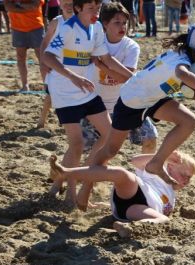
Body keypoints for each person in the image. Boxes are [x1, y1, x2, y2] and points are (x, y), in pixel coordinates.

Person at [76, 22, 195, 210]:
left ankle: (157, 163)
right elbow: (181, 73)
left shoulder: (185, 53)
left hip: (152, 98)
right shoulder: (181, 63)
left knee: (189, 121)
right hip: (131, 102)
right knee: (108, 152)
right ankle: (85, 190)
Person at [42, 0, 130, 204]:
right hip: (64, 92)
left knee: (110, 134)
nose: (96, 12)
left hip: (86, 90)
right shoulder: (67, 28)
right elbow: (47, 57)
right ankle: (71, 194)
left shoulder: (97, 27)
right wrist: (73, 76)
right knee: (77, 144)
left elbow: (106, 58)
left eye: (98, 8)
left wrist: (131, 77)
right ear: (78, 8)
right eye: (91, 8)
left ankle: (85, 176)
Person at [48, 151, 195, 229]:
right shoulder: (157, 170)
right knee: (122, 174)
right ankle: (67, 173)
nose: (187, 180)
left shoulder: (171, 193)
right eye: (184, 175)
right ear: (171, 167)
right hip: (135, 190)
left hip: (135, 209)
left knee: (163, 220)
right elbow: (135, 161)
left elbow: (162, 212)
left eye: (190, 178)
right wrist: (163, 156)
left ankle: (127, 227)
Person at [93, 2, 158, 154]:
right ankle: (83, 174)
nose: (122, 26)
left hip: (126, 103)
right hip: (97, 104)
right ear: (105, 24)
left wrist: (102, 67)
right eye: (117, 23)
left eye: (125, 23)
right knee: (87, 147)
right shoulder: (96, 41)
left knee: (150, 137)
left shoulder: (131, 46)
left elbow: (127, 78)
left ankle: (146, 176)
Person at [37, 0, 73, 129]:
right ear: (60, 4)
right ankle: (42, 119)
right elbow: (45, 42)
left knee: (72, 94)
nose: (69, 7)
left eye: (71, 4)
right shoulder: (56, 22)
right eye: (66, 3)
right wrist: (42, 62)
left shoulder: (81, 21)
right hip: (55, 63)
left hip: (73, 64)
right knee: (50, 94)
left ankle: (64, 121)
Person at [4, 0, 45, 91]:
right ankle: (25, 85)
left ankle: (47, 84)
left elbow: (34, 6)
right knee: (21, 57)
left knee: (42, 57)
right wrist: (25, 7)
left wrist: (16, 5)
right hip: (17, 27)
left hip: (36, 26)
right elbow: (8, 7)